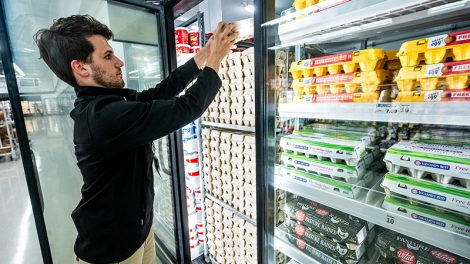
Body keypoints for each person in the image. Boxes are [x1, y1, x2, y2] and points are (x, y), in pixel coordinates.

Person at [34, 14, 238, 264]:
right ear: (81, 68)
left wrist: (206, 52)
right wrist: (216, 59)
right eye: (108, 56)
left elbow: (161, 92)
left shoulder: (109, 101)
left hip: (138, 230)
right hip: (111, 250)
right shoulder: (102, 117)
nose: (119, 62)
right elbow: (186, 108)